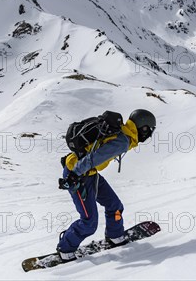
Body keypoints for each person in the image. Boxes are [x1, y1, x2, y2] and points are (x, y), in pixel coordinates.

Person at [56, 109, 156, 262]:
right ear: (143, 128)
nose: (149, 134)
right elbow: (93, 158)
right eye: (149, 130)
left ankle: (115, 235)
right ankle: (66, 248)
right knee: (89, 222)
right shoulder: (123, 141)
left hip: (90, 174)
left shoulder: (123, 132)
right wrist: (74, 174)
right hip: (78, 176)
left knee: (114, 205)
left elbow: (94, 150)